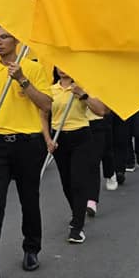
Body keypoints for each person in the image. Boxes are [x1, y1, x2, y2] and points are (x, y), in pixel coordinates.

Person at [0, 24, 52, 278]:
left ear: (16, 39)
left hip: (29, 143)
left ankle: (31, 249)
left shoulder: (34, 68)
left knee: (29, 198)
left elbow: (46, 104)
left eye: (3, 37)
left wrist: (23, 80)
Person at [48, 69, 107, 242]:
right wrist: (47, 139)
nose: (62, 68)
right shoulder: (51, 89)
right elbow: (43, 114)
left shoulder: (83, 87)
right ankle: (77, 212)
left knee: (78, 181)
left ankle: (77, 226)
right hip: (59, 138)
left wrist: (83, 95)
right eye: (59, 64)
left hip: (81, 136)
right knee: (66, 182)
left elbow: (101, 111)